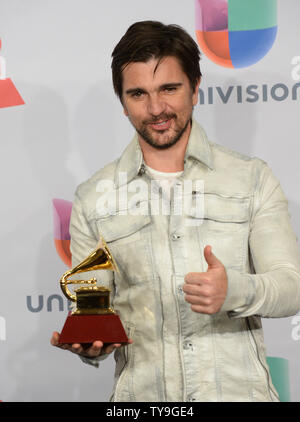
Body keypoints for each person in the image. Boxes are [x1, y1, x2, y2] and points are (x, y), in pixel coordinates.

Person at [51, 20, 300, 402]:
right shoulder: (92, 199)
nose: (156, 109)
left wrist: (235, 289)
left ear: (196, 87)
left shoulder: (252, 179)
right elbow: (92, 311)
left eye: (169, 88)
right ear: (122, 102)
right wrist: (92, 344)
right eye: (138, 94)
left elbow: (292, 287)